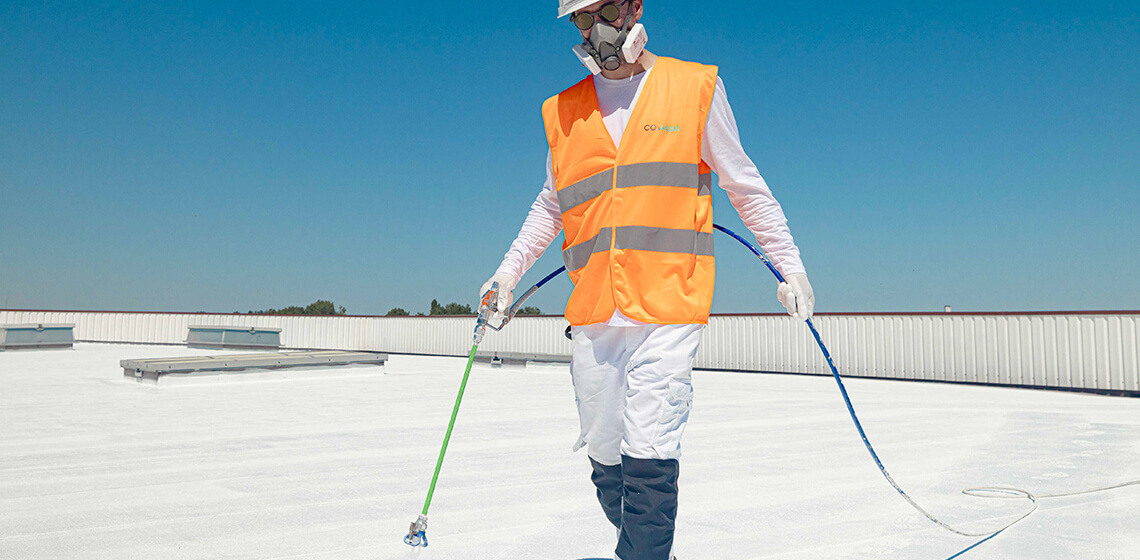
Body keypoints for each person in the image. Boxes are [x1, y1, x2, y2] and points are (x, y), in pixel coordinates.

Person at [480, 1, 814, 558]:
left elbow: (744, 185)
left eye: (606, 9)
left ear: (634, 6)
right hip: (593, 311)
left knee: (651, 450)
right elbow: (550, 204)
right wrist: (507, 272)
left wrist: (790, 267)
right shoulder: (564, 112)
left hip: (668, 304)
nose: (597, 28)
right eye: (582, 20)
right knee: (607, 457)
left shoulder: (693, 86)